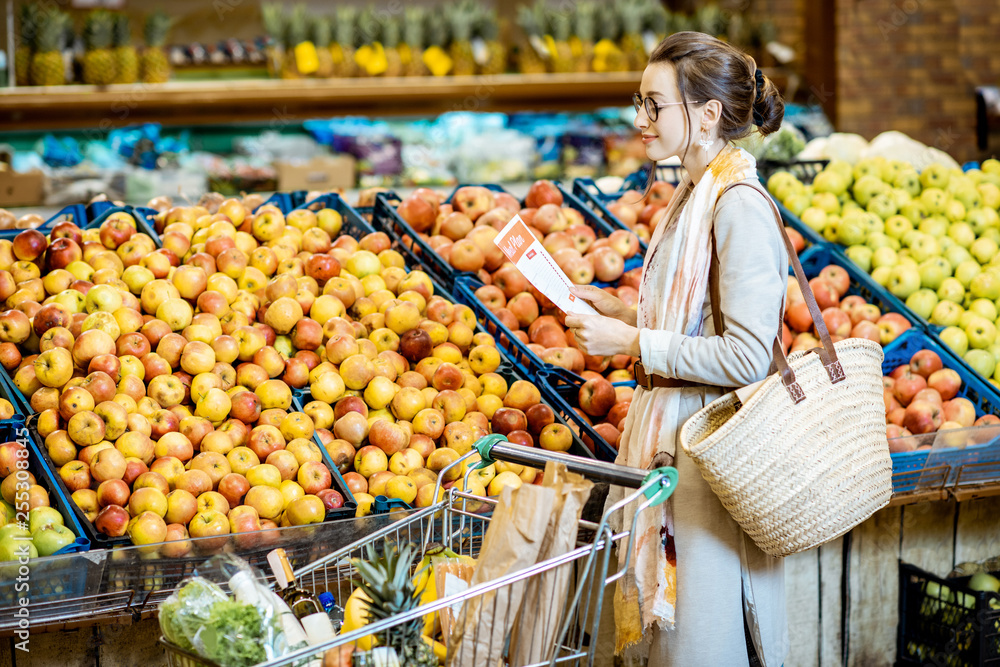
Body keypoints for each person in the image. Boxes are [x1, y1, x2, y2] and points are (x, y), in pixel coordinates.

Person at [566, 32, 790, 667]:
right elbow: (694, 321)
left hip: (708, 470)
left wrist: (636, 341)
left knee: (701, 642)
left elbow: (747, 356)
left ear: (708, 113)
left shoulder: (737, 205)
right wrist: (621, 311)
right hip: (676, 457)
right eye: (639, 102)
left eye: (655, 105)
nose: (640, 120)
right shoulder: (692, 196)